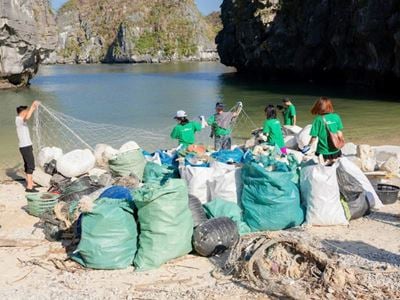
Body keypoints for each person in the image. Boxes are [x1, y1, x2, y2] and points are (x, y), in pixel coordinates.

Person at [306, 97, 344, 163]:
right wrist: (341, 142)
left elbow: (314, 138)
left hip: (323, 151)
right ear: (330, 106)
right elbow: (339, 132)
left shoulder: (318, 120)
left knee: (325, 169)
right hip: (336, 149)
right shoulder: (336, 116)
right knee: (334, 167)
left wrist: (308, 146)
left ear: (318, 107)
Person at [16, 101, 40, 193]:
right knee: (31, 166)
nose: (27, 113)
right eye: (26, 111)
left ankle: (30, 182)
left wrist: (32, 108)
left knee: (27, 165)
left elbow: (26, 117)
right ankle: (29, 187)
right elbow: (27, 117)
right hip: (25, 147)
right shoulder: (19, 120)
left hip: (26, 146)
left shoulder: (21, 121)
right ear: (22, 113)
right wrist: (33, 106)